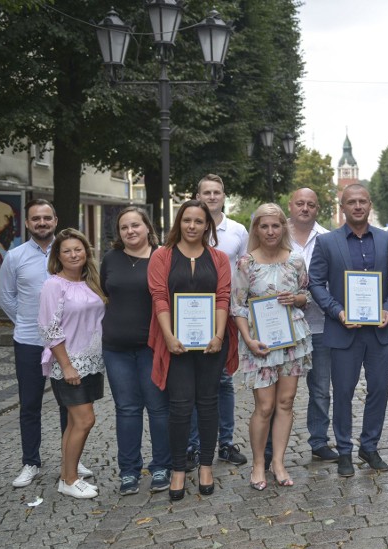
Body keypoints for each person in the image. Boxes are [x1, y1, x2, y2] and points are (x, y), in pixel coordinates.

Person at [309, 184, 388, 478]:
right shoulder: (327, 242)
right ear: (343, 206)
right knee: (344, 393)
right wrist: (337, 311)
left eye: (362, 201)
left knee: (378, 391)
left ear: (370, 204)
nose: (358, 206)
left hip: (378, 332)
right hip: (343, 331)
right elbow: (315, 283)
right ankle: (345, 451)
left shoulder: (387, 241)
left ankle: (369, 445)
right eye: (352, 202)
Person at [147, 200, 239, 501]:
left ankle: (205, 466)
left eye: (199, 222)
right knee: (180, 405)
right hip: (177, 344)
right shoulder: (162, 256)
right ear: (179, 222)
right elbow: (159, 297)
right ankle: (177, 469)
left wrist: (218, 335)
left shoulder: (219, 258)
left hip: (211, 343)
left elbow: (223, 297)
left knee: (209, 403)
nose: (192, 226)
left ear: (207, 226)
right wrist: (169, 336)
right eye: (187, 220)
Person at [1, 200, 93, 488]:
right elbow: (6, 296)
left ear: (55, 220)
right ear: (27, 224)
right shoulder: (15, 257)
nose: (41, 222)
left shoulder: (69, 251)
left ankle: (71, 461)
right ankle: (31, 462)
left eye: (46, 217)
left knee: (70, 404)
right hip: (29, 341)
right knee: (30, 403)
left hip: (69, 344)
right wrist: (32, 324)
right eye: (35, 219)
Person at [232, 203, 313, 490]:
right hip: (260, 342)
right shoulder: (246, 263)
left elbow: (306, 293)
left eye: (275, 226)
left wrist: (297, 299)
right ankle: (258, 464)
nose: (270, 231)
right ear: (256, 229)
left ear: (283, 228)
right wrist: (248, 340)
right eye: (264, 226)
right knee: (264, 406)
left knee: (285, 402)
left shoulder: (295, 261)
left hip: (292, 340)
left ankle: (278, 461)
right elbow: (238, 307)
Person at [101, 207, 170, 495]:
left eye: (135, 225)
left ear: (147, 227)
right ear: (119, 233)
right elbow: (103, 294)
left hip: (151, 347)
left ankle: (161, 467)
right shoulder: (110, 259)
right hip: (116, 348)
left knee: (158, 409)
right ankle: (129, 471)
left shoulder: (162, 256)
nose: (130, 231)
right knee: (126, 410)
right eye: (124, 227)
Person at [38, 229, 106, 499]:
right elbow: (48, 328)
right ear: (58, 256)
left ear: (86, 252)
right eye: (66, 250)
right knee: (85, 420)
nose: (73, 254)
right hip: (70, 363)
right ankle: (70, 479)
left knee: (73, 423)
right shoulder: (54, 285)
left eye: (77, 249)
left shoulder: (92, 281)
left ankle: (67, 474)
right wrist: (66, 365)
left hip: (91, 362)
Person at [187, 174, 248, 470]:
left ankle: (225, 441)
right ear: (198, 195)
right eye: (206, 192)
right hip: (189, 316)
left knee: (223, 381)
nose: (212, 197)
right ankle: (194, 444)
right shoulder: (188, 226)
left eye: (217, 192)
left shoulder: (236, 231)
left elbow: (245, 271)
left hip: (226, 314)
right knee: (193, 381)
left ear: (224, 196)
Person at [287, 188, 337, 462]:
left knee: (320, 388)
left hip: (319, 325)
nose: (305, 208)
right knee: (281, 390)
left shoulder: (327, 238)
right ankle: (272, 446)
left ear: (317, 209)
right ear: (290, 205)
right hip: (282, 327)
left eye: (311, 205)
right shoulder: (275, 234)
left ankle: (318, 440)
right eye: (300, 204)